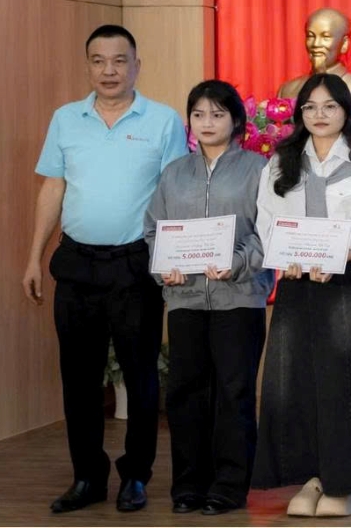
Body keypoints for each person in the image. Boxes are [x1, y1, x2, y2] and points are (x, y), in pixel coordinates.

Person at [24, 25, 187, 514]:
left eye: (119, 60)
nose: (109, 70)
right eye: (99, 61)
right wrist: (34, 256)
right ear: (88, 66)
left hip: (135, 265)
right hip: (76, 264)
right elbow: (53, 188)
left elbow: (175, 193)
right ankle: (87, 476)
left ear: (137, 65)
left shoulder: (163, 120)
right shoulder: (65, 119)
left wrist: (176, 259)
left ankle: (135, 475)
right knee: (78, 378)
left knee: (141, 376)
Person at [252, 73, 351, 518]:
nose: (319, 115)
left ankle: (342, 482)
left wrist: (339, 257)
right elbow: (265, 222)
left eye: (329, 106)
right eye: (310, 107)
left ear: (345, 112)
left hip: (343, 286)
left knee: (342, 383)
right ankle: (310, 478)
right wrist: (285, 257)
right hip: (295, 284)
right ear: (299, 113)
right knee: (294, 383)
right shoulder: (279, 165)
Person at [143, 79, 272, 515]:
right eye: (198, 114)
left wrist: (237, 262)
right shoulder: (174, 173)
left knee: (234, 392)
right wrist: (164, 267)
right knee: (184, 392)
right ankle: (188, 484)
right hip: (186, 299)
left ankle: (230, 485)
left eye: (217, 114)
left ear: (236, 120)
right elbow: (152, 231)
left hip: (239, 297)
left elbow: (270, 231)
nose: (207, 122)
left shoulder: (259, 170)